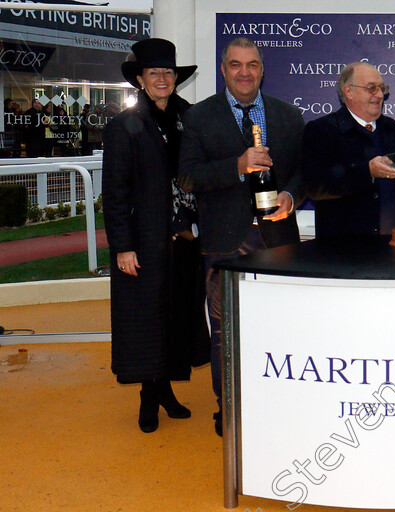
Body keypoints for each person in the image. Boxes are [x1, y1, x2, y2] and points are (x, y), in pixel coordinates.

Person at [179, 37, 305, 436]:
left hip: (279, 241)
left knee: (282, 329)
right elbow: (187, 176)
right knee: (226, 334)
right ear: (224, 70)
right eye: (236, 65)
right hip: (224, 243)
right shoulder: (200, 117)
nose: (245, 72)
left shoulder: (288, 115)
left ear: (262, 69)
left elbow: (305, 172)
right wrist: (236, 165)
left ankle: (279, 403)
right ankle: (228, 408)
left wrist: (290, 195)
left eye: (252, 64)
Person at [102, 38, 209, 433]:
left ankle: (165, 389)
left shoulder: (191, 118)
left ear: (175, 78)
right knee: (146, 319)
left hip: (185, 241)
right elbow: (114, 193)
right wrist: (123, 246)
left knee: (177, 316)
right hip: (145, 242)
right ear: (141, 80)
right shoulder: (124, 127)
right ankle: (149, 397)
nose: (162, 79)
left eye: (168, 72)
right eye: (154, 73)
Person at [303, 61, 395, 238]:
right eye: (371, 88)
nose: (379, 95)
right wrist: (367, 171)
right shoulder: (322, 130)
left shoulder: (393, 129)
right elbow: (314, 187)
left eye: (382, 88)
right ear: (349, 92)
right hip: (346, 253)